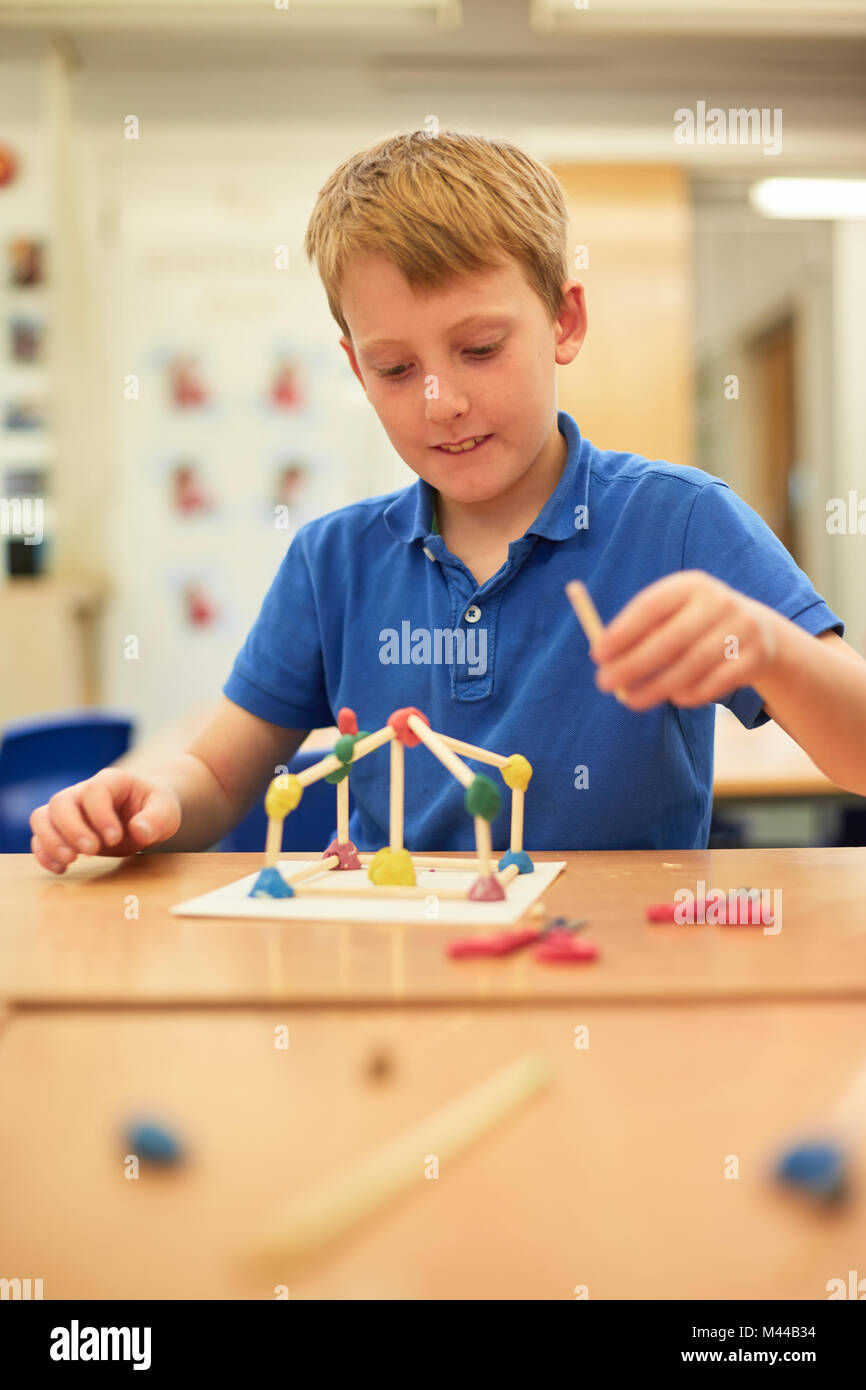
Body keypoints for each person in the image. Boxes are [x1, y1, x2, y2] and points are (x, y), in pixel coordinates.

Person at [30, 129, 866, 872]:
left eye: (479, 348)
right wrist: (146, 802)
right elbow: (216, 772)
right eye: (396, 369)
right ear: (357, 369)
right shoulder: (334, 563)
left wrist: (770, 649)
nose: (441, 400)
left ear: (565, 323)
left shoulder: (677, 521)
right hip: (396, 976)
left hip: (618, 976)